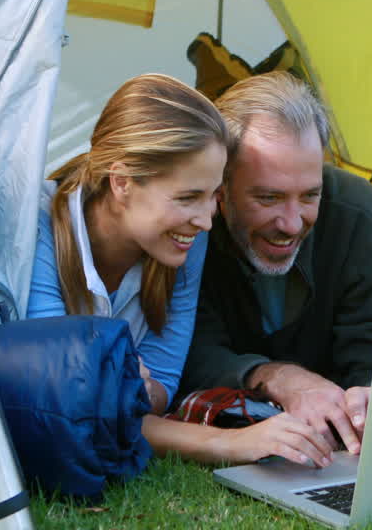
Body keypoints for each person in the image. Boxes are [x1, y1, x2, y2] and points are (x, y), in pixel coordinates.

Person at [26, 73, 330, 466]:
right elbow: (66, 400)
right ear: (121, 183)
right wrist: (227, 443)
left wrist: (122, 389)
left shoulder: (185, 241)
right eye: (188, 197)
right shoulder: (36, 226)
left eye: (212, 197)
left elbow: (161, 387)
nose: (206, 221)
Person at [180, 71, 372, 459]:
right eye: (269, 197)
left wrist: (369, 395)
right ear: (220, 188)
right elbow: (184, 353)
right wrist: (275, 377)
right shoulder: (189, 228)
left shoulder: (360, 218)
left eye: (310, 195)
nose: (291, 224)